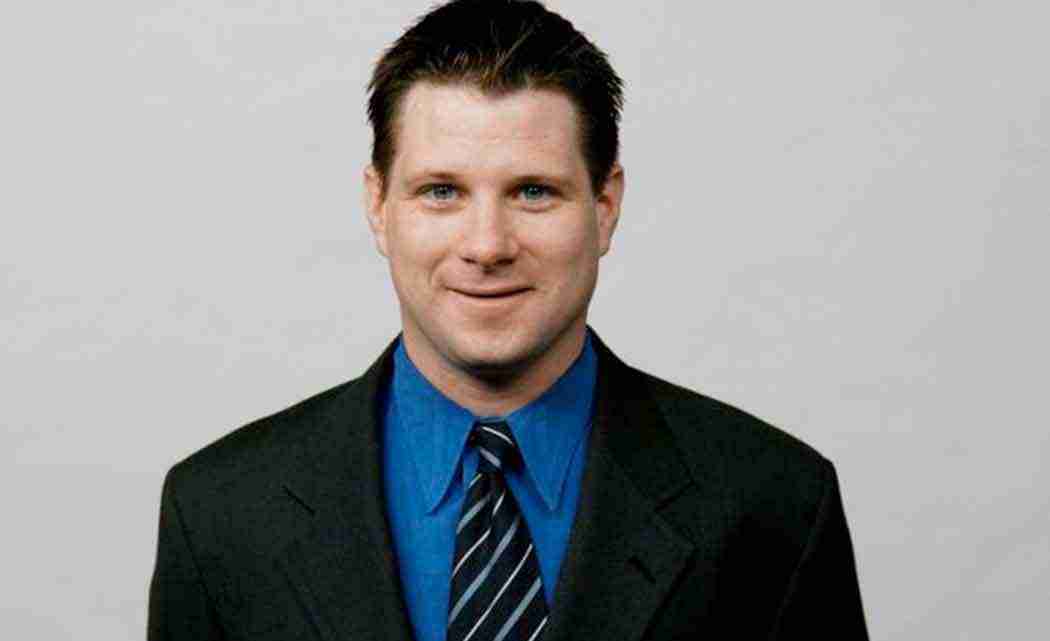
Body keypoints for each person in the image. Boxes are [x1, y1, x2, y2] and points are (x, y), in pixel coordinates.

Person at [147, 1, 869, 639]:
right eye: (441, 191)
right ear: (378, 205)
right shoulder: (217, 514)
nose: (487, 245)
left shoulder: (774, 505)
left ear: (605, 205)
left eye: (532, 191)